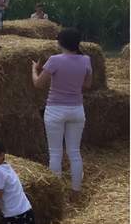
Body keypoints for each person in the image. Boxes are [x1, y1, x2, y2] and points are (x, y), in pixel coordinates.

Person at [31, 28, 92, 198]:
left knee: (55, 153)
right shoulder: (86, 59)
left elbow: (38, 84)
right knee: (74, 152)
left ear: (60, 43)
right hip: (77, 110)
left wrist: (34, 70)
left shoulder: (54, 60)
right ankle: (76, 191)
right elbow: (87, 85)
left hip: (55, 110)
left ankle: (56, 194)